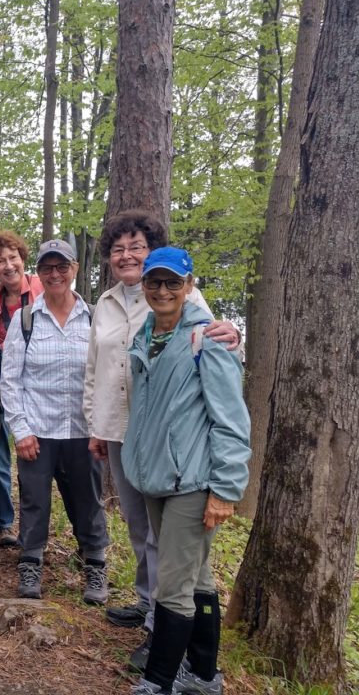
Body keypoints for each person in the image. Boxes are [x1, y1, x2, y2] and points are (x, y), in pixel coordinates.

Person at [84, 210, 240, 671]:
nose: (126, 255)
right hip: (122, 434)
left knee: (168, 539)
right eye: (118, 249)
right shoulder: (107, 302)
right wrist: (95, 423)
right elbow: (95, 368)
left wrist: (237, 334)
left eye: (135, 246)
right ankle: (148, 602)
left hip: (174, 443)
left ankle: (162, 623)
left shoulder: (183, 299)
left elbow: (216, 350)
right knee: (139, 528)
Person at [125, 247, 250, 695]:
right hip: (155, 477)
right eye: (154, 282)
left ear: (189, 286)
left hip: (193, 482)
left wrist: (226, 488)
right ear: (144, 286)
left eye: (172, 283)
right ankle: (203, 675)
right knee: (196, 578)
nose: (162, 291)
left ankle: (156, 683)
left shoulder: (208, 340)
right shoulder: (145, 335)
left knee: (172, 587)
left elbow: (231, 420)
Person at [0, 239, 109, 604]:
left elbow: (108, 375)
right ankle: (31, 562)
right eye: (47, 268)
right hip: (39, 431)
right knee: (34, 500)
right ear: (39, 273)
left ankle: (94, 565)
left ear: (75, 269)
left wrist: (103, 427)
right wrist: (22, 430)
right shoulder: (26, 318)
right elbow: (11, 379)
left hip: (83, 431)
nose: (55, 274)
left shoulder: (94, 317)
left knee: (88, 501)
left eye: (62, 266)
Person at [0, 229, 44, 547]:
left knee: (36, 463)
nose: (7, 265)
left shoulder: (44, 289)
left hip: (43, 389)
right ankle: (4, 524)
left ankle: (34, 530)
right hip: (5, 388)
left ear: (22, 258)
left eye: (12, 258)